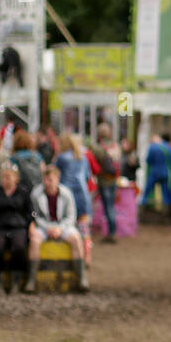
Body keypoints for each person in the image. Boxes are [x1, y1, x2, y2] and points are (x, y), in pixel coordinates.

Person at [26, 163, 89, 293]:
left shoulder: (66, 193)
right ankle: (31, 280)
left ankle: (82, 278)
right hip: (43, 226)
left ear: (57, 179)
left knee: (76, 239)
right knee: (34, 240)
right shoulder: (36, 193)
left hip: (63, 226)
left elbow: (71, 216)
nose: (47, 183)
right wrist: (48, 228)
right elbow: (34, 215)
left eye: (50, 180)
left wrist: (59, 229)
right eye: (45, 179)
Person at [0, 159, 33, 293]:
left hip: (18, 226)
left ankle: (16, 281)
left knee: (19, 247)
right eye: (3, 177)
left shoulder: (23, 192)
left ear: (16, 178)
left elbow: (30, 212)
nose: (5, 180)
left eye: (8, 177)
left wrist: (31, 225)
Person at [55, 133, 93, 261]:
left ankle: (71, 255)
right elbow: (88, 177)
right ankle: (86, 255)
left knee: (66, 224)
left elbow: (55, 176)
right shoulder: (82, 157)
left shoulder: (61, 158)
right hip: (83, 196)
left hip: (67, 196)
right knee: (83, 227)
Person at [93, 125, 121, 242]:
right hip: (113, 180)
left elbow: (96, 163)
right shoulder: (115, 146)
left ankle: (111, 233)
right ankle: (112, 231)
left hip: (104, 181)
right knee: (111, 207)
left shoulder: (99, 148)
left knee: (108, 207)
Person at [140, 133, 171, 218]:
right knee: (165, 195)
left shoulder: (152, 147)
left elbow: (148, 160)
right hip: (166, 173)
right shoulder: (169, 147)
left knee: (146, 192)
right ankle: (165, 216)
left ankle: (142, 214)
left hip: (154, 173)